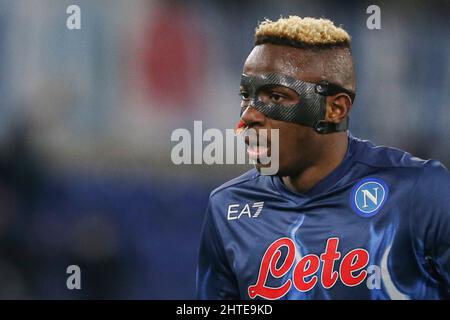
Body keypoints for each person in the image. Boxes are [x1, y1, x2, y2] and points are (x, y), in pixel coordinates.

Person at [196, 16, 450, 300]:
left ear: (335, 109)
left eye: (276, 97)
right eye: (246, 95)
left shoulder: (421, 192)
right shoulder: (228, 208)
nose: (247, 116)